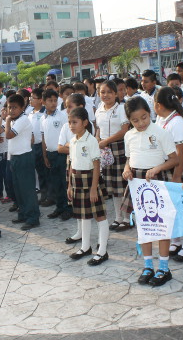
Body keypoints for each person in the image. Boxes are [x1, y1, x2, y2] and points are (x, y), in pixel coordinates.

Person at [122, 97, 178, 286]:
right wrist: (126, 168)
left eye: (144, 118)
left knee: (161, 226)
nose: (140, 123)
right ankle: (148, 265)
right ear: (129, 120)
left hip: (156, 180)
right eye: (135, 120)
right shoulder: (129, 135)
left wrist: (158, 168)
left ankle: (163, 267)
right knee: (143, 226)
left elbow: (174, 159)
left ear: (150, 113)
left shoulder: (161, 133)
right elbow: (129, 158)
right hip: (137, 183)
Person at [154, 87, 183, 262]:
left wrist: (178, 175)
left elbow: (182, 152)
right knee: (171, 208)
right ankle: (176, 239)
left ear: (158, 104)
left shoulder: (177, 122)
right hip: (166, 166)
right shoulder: (162, 119)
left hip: (178, 168)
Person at [67, 107, 109, 266]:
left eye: (75, 122)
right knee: (83, 215)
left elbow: (96, 165)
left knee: (99, 215)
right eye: (70, 122)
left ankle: (102, 251)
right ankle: (85, 247)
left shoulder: (91, 141)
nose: (71, 125)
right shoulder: (72, 141)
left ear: (85, 123)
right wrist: (70, 185)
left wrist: (93, 188)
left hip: (91, 179)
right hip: (77, 180)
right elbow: (71, 164)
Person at [95, 80, 130, 231]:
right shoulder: (98, 109)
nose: (106, 95)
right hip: (105, 150)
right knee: (112, 186)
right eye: (103, 92)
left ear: (116, 94)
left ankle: (127, 218)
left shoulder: (122, 109)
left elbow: (124, 130)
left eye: (109, 92)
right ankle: (117, 217)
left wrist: (106, 141)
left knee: (123, 184)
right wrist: (98, 141)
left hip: (119, 148)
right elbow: (98, 129)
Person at [3, 94, 40, 231]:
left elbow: (8, 135)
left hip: (24, 157)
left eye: (14, 107)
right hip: (15, 157)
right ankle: (23, 213)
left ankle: (33, 217)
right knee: (18, 188)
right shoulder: (14, 120)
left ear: (22, 107)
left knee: (27, 189)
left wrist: (6, 121)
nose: (11, 110)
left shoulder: (23, 119)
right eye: (9, 107)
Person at [59, 93, 88, 244]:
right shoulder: (66, 126)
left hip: (86, 168)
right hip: (72, 165)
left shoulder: (88, 127)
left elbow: (88, 147)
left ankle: (87, 235)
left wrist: (69, 146)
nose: (67, 110)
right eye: (65, 107)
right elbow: (59, 148)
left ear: (81, 107)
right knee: (75, 201)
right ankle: (79, 232)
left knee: (87, 204)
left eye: (70, 106)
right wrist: (73, 147)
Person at [41, 89, 70, 220]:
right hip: (50, 154)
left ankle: (68, 209)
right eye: (50, 101)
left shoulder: (62, 116)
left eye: (55, 100)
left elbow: (68, 134)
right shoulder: (43, 117)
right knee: (55, 183)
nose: (53, 103)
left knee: (64, 183)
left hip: (62, 154)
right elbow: (43, 138)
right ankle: (59, 207)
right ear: (43, 102)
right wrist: (45, 155)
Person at [28, 88, 49, 206]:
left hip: (43, 145)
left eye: (33, 98)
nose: (31, 100)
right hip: (33, 145)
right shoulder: (30, 113)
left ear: (41, 100)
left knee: (46, 171)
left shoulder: (45, 112)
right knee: (40, 171)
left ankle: (50, 195)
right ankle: (44, 194)